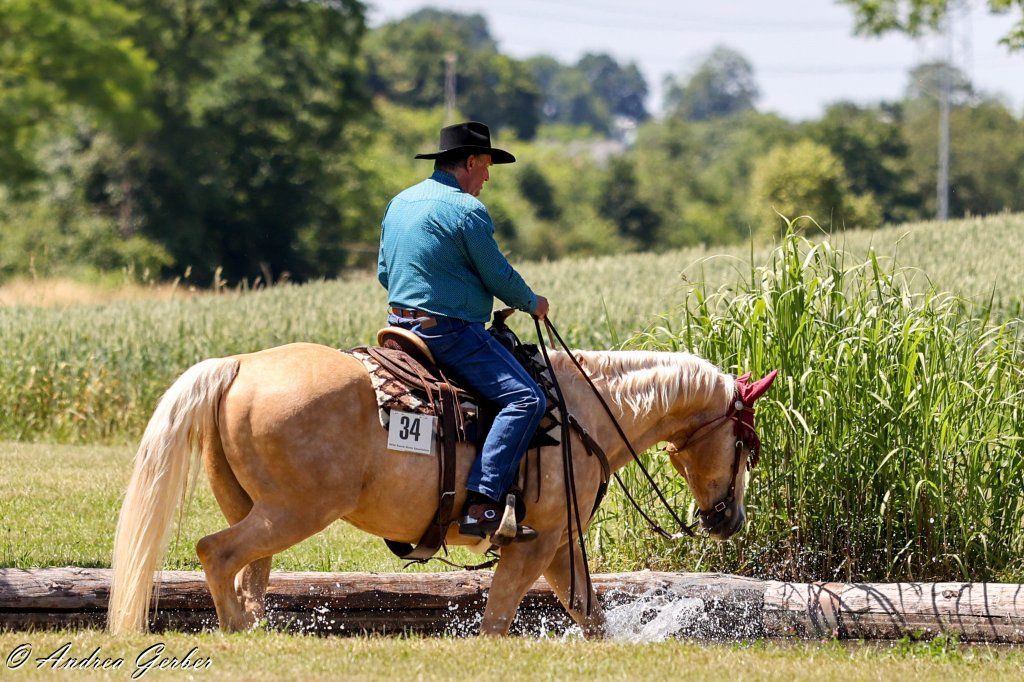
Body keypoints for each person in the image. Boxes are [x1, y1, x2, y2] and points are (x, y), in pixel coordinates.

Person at [377, 121, 549, 539]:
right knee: (526, 399)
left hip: (399, 326)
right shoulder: (466, 210)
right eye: (487, 166)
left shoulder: (400, 201)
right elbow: (497, 274)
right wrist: (532, 303)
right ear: (470, 162)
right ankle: (485, 503)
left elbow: (385, 273)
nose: (488, 177)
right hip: (447, 333)